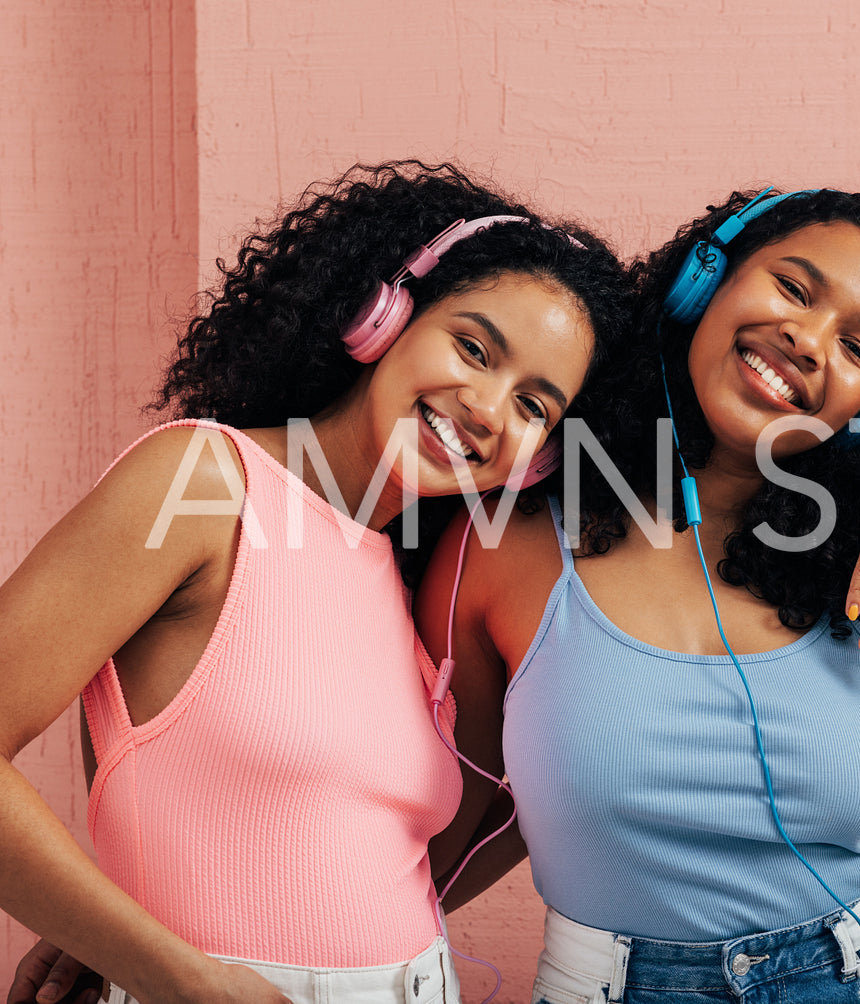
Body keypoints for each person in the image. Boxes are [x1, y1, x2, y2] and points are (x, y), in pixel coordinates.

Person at [0, 160, 633, 1004]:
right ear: (383, 318)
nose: (487, 407)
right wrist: (164, 965)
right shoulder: (202, 484)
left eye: (533, 406)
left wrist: (111, 924)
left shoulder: (411, 577)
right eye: (473, 348)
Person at [413, 186, 860, 1004]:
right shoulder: (500, 547)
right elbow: (445, 838)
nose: (808, 340)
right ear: (703, 279)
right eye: (792, 288)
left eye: (859, 348)